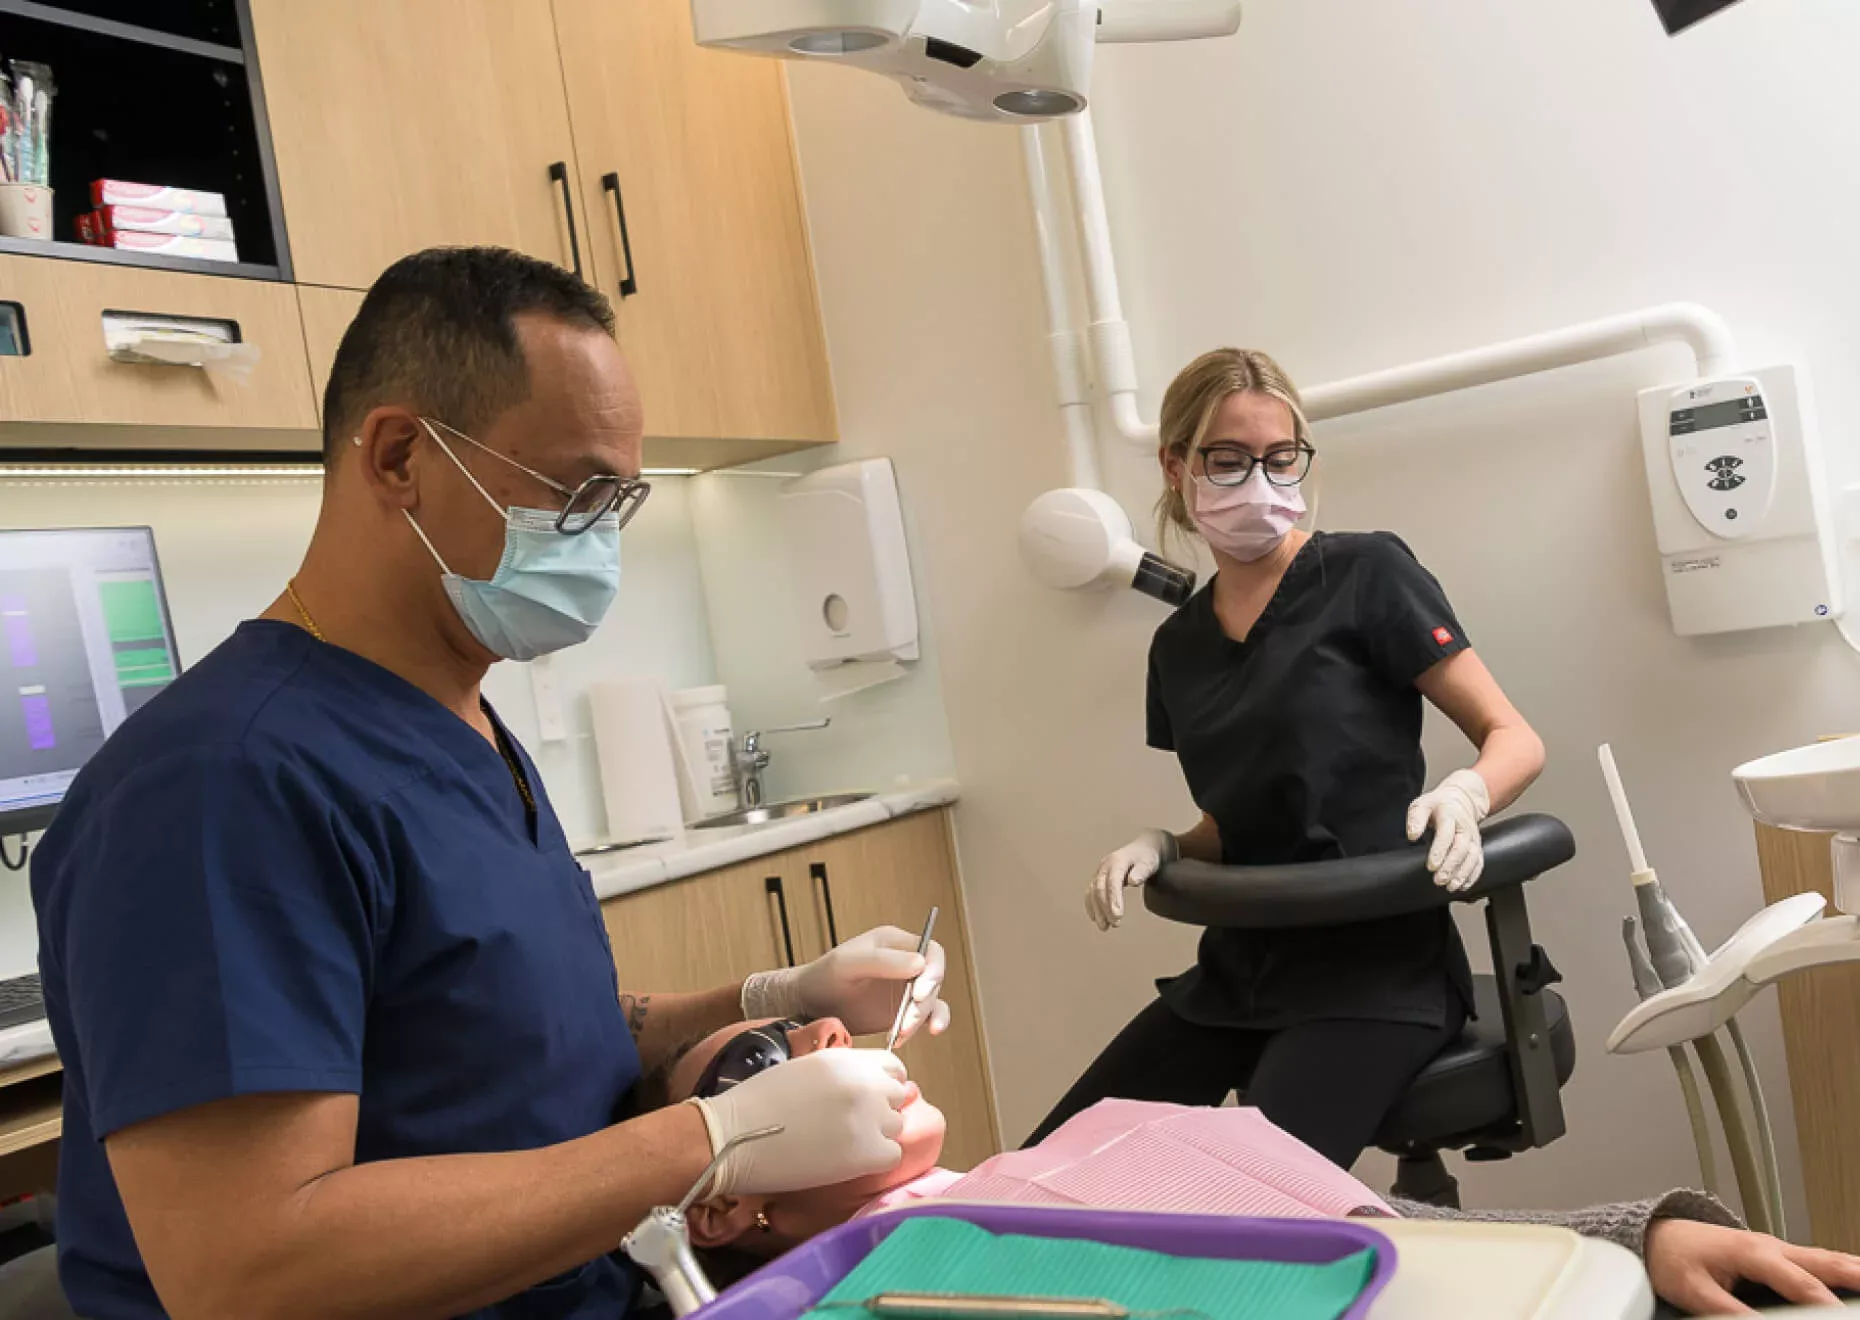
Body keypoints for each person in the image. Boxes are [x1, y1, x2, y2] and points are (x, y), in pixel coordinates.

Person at [29, 247, 953, 1320]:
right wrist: (714, 1140)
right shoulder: (220, 785)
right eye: (577, 491)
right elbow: (250, 1270)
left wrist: (777, 1002)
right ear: (399, 456)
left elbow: (497, 1046)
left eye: (622, 499)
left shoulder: (462, 719)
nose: (601, 537)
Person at [1028, 347, 1549, 1167]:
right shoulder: (1179, 645)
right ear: (1177, 466)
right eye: (1229, 462)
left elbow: (1515, 738)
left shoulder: (1367, 574)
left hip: (1381, 975)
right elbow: (1237, 821)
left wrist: (1466, 796)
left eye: (1280, 460)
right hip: (1241, 973)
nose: (1259, 484)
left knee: (1240, 1196)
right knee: (1049, 1171)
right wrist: (1163, 845)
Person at [655, 1018, 1860, 1317]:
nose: (822, 1040)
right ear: (723, 1207)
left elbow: (1398, 1234)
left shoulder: (1126, 1127)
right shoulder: (860, 1294)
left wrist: (1642, 1234)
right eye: (760, 1062)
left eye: (813, 1026)